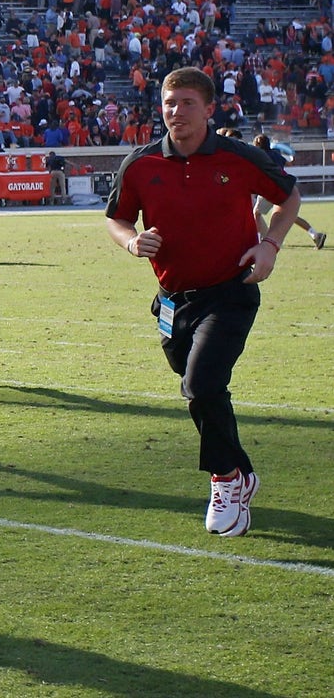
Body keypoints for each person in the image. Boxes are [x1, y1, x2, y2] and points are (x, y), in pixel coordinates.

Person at [105, 67, 301, 538]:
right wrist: (132, 241)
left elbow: (289, 197)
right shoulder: (141, 163)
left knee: (200, 384)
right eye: (170, 103)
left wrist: (269, 246)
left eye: (187, 103)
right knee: (204, 391)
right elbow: (115, 218)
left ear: (210, 109)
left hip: (231, 291)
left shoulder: (240, 157)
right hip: (173, 300)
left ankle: (226, 480)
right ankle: (243, 469)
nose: (176, 112)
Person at [251, 134, 324, 249]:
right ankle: (314, 234)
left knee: (256, 213)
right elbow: (289, 163)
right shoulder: (276, 154)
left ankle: (259, 240)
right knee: (289, 215)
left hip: (269, 188)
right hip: (284, 186)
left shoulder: (259, 155)